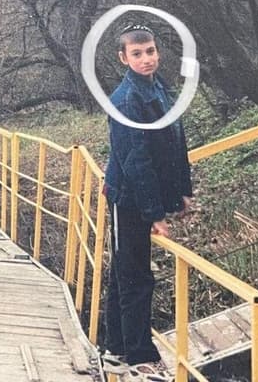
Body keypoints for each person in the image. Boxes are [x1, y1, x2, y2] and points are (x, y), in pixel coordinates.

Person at [102, 24, 193, 381]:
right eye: (137, 54)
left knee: (128, 270)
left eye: (151, 51)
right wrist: (154, 213)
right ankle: (137, 353)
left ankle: (117, 346)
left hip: (146, 193)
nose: (146, 59)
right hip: (128, 199)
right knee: (135, 275)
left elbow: (174, 139)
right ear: (123, 58)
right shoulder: (125, 99)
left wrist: (181, 191)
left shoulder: (158, 87)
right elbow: (134, 160)